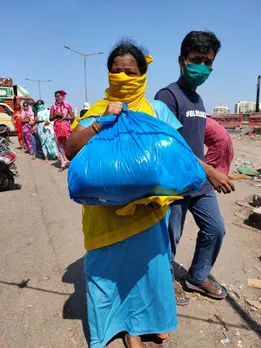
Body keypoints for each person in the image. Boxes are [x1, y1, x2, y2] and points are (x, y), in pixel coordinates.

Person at [65, 40, 187, 348]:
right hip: (103, 215)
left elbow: (176, 154)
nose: (122, 77)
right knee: (106, 274)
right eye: (115, 71)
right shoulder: (95, 110)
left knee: (146, 272)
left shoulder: (156, 110)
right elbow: (70, 149)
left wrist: (205, 174)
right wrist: (101, 122)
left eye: (129, 72)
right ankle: (115, 326)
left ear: (143, 75)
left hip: (148, 212)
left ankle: (142, 326)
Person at [155, 31, 235, 305]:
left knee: (215, 229)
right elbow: (171, 146)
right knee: (170, 236)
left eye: (208, 62)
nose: (202, 67)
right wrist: (211, 171)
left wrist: (210, 171)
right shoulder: (167, 96)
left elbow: (196, 140)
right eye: (196, 59)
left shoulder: (199, 100)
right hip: (175, 183)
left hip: (199, 182)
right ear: (182, 60)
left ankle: (197, 276)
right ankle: (164, 279)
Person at [50, 90, 74, 171]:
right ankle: (63, 163)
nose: (57, 98)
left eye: (59, 96)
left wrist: (65, 117)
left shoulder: (67, 106)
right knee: (60, 146)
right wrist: (56, 115)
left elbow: (73, 117)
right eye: (56, 96)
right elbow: (50, 118)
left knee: (69, 145)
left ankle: (72, 162)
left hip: (66, 128)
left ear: (62, 97)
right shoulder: (53, 107)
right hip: (57, 128)